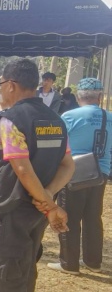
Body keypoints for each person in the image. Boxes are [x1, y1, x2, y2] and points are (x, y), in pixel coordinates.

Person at [0, 58, 74, 292]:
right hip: (36, 211)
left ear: (10, 85)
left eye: (0, 85)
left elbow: (21, 168)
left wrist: (48, 202)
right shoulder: (56, 120)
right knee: (26, 267)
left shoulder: (10, 120)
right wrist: (48, 200)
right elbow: (68, 165)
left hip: (13, 207)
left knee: (9, 271)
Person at [47, 78, 111, 275]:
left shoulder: (69, 116)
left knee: (70, 217)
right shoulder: (109, 117)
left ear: (78, 96)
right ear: (100, 97)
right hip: (101, 173)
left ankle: (69, 263)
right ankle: (93, 261)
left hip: (73, 173)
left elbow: (58, 143)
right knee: (93, 217)